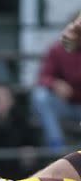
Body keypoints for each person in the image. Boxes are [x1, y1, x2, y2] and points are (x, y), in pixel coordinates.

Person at [31, 12, 81, 151]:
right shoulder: (57, 49)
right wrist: (55, 84)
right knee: (40, 96)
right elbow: (42, 78)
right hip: (65, 104)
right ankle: (56, 145)